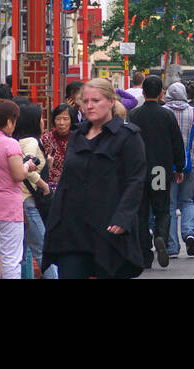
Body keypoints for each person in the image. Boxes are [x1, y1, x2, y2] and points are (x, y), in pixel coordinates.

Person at [42, 79, 146, 279]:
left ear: (110, 101)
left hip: (107, 227)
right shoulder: (77, 135)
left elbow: (135, 180)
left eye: (96, 100)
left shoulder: (128, 136)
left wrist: (123, 217)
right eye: (85, 101)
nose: (90, 106)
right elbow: (66, 181)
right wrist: (54, 218)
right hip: (72, 228)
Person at [0, 98, 43, 279]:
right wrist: (27, 165)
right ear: (9, 121)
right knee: (11, 258)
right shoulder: (10, 143)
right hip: (8, 208)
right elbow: (19, 175)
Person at [129, 74, 185, 269]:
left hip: (139, 171)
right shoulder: (167, 115)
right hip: (160, 170)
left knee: (141, 212)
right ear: (161, 93)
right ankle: (161, 236)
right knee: (162, 208)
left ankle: (145, 253)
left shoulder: (134, 115)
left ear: (143, 93)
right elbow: (177, 143)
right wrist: (179, 167)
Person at [163, 81, 194, 258]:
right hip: (190, 163)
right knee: (187, 200)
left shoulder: (163, 112)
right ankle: (189, 233)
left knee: (170, 204)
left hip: (167, 165)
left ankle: (172, 246)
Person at [14, 102, 54, 279]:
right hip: (27, 200)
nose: (43, 122)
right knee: (42, 247)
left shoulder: (17, 140)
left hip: (18, 200)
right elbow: (27, 166)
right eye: (40, 118)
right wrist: (43, 184)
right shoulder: (31, 141)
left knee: (20, 251)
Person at [40, 104, 73, 193]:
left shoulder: (77, 139)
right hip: (51, 187)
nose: (61, 123)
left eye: (65, 119)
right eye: (58, 119)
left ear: (71, 120)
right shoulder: (46, 139)